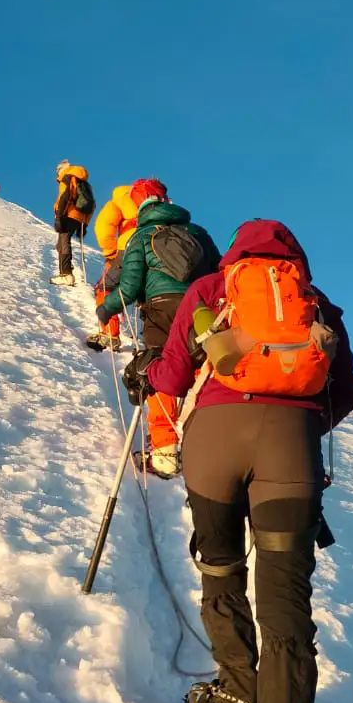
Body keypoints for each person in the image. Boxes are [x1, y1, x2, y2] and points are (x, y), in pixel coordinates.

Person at [130, 219, 353, 703]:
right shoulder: (318, 305)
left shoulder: (210, 291)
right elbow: (345, 392)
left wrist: (147, 376)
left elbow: (173, 377)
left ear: (236, 252)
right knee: (285, 605)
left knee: (222, 572)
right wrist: (301, 426)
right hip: (291, 452)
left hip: (214, 446)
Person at [96, 178, 219, 477]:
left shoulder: (141, 236)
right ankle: (204, 442)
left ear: (138, 205)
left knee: (160, 370)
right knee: (201, 371)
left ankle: (164, 449)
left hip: (160, 309)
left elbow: (128, 287)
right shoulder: (198, 232)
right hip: (200, 309)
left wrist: (105, 309)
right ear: (165, 200)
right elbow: (219, 274)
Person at [85, 183, 139, 351]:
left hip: (128, 248)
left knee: (104, 287)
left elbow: (103, 226)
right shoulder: (152, 204)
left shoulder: (119, 200)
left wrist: (110, 252)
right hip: (156, 249)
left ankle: (110, 333)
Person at [50, 162, 95, 285]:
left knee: (64, 241)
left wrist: (59, 217)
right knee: (62, 243)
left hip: (68, 214)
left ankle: (66, 274)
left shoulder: (67, 177)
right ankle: (66, 270)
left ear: (61, 169)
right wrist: (84, 225)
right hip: (79, 219)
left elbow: (64, 197)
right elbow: (92, 205)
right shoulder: (84, 182)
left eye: (57, 171)